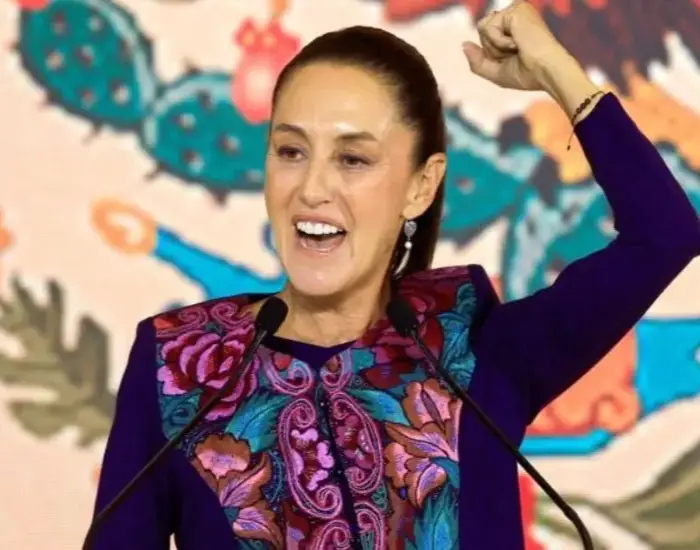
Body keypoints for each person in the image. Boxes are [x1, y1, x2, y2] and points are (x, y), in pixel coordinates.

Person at [91, 2, 700, 549]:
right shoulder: (182, 368)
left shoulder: (474, 352)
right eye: (291, 151)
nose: (312, 188)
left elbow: (665, 233)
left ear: (421, 187)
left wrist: (557, 73)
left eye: (352, 158)